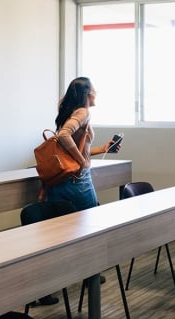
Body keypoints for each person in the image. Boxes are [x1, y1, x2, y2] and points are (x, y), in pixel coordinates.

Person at [36, 77, 120, 306]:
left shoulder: (71, 110)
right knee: (91, 227)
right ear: (86, 93)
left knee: (56, 234)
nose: (96, 93)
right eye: (94, 89)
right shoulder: (83, 112)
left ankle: (44, 289)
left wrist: (102, 149)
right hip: (77, 181)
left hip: (62, 180)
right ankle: (88, 274)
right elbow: (64, 136)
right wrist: (81, 162)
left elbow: (73, 146)